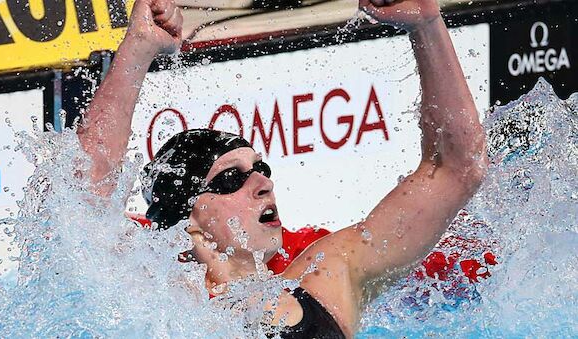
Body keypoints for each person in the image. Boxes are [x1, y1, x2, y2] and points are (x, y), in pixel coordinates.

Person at [76, 0, 488, 337]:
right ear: (190, 220)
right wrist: (137, 49)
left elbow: (455, 169)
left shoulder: (327, 281)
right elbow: (75, 204)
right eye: (231, 178)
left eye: (261, 167)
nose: (262, 182)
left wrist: (428, 25)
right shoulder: (153, 303)